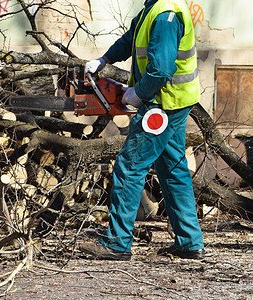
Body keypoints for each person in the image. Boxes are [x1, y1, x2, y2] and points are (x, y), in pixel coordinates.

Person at [79, 0, 204, 260]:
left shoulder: (165, 14)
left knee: (130, 165)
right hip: (174, 101)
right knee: (173, 168)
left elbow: (160, 70)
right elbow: (131, 39)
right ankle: (190, 242)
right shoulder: (153, 7)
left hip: (163, 103)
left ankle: (117, 243)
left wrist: (138, 93)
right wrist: (105, 59)